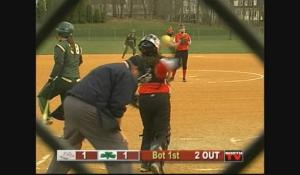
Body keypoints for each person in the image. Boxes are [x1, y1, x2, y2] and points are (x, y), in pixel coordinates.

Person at [46, 56, 143, 174]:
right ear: (135, 68)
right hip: (87, 109)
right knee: (118, 150)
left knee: (69, 147)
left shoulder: (111, 68)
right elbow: (117, 108)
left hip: (70, 104)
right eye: (139, 73)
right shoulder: (127, 75)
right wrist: (117, 132)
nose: (137, 77)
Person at [131, 34, 178, 174]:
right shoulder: (162, 61)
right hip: (161, 97)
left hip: (144, 98)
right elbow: (177, 62)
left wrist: (133, 98)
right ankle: (157, 161)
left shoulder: (136, 62)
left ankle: (145, 164)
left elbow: (130, 80)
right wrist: (173, 49)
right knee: (163, 131)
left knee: (148, 129)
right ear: (156, 48)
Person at [37, 21, 83, 125]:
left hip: (63, 79)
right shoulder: (78, 46)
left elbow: (59, 64)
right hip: (76, 80)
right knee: (66, 105)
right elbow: (80, 61)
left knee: (42, 96)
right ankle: (69, 131)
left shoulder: (60, 46)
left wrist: (51, 78)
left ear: (61, 34)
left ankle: (47, 117)